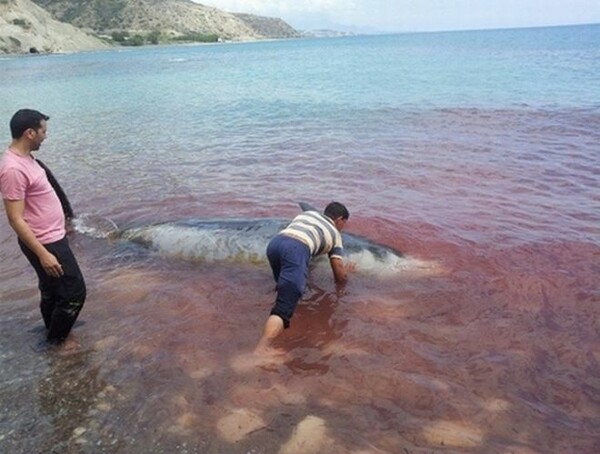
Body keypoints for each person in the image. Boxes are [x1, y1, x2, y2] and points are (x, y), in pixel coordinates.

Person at [0, 109, 86, 348]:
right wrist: (43, 253)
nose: (45, 136)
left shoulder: (25, 159)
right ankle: (57, 342)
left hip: (50, 237)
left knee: (51, 291)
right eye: (43, 131)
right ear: (29, 133)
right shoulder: (12, 169)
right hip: (45, 242)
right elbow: (15, 219)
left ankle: (53, 330)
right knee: (74, 293)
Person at [254, 201, 352, 355]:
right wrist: (346, 280)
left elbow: (306, 237)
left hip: (275, 244)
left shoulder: (308, 214)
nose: (343, 227)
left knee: (285, 289)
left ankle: (283, 309)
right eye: (344, 223)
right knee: (284, 307)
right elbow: (338, 272)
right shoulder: (335, 235)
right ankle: (262, 349)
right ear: (340, 220)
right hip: (297, 249)